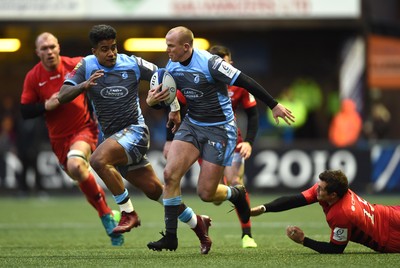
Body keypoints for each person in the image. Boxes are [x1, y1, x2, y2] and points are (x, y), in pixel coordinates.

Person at [57, 24, 212, 254]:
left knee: (99, 160)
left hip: (136, 132)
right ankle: (198, 224)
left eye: (113, 47)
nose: (111, 53)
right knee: (156, 192)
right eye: (104, 49)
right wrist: (83, 85)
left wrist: (173, 104)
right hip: (115, 139)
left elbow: (165, 76)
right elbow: (62, 96)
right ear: (94, 51)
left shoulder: (132, 64)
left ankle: (128, 212)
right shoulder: (86, 66)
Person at [147, 26, 295, 252]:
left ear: (186, 47)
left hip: (220, 129)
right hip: (192, 125)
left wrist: (273, 105)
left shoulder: (209, 63)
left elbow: (245, 80)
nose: (167, 49)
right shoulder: (171, 65)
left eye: (170, 45)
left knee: (206, 194)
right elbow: (169, 94)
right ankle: (170, 236)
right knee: (169, 175)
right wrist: (171, 109)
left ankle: (235, 193)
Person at [20, 32, 123, 246]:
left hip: (84, 129)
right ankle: (108, 213)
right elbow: (25, 111)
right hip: (58, 139)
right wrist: (44, 106)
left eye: (52, 47)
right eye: (44, 49)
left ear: (59, 47)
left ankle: (106, 217)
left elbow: (104, 68)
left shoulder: (76, 65)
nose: (49, 52)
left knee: (76, 165)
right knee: (78, 173)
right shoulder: (33, 77)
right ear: (37, 52)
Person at [251, 169, 400, 253]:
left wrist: (303, 240)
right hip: (389, 213)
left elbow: (336, 249)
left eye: (321, 188)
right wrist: (264, 208)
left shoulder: (342, 213)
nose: (317, 189)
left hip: (389, 238)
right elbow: (295, 200)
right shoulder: (331, 192)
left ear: (333, 195)